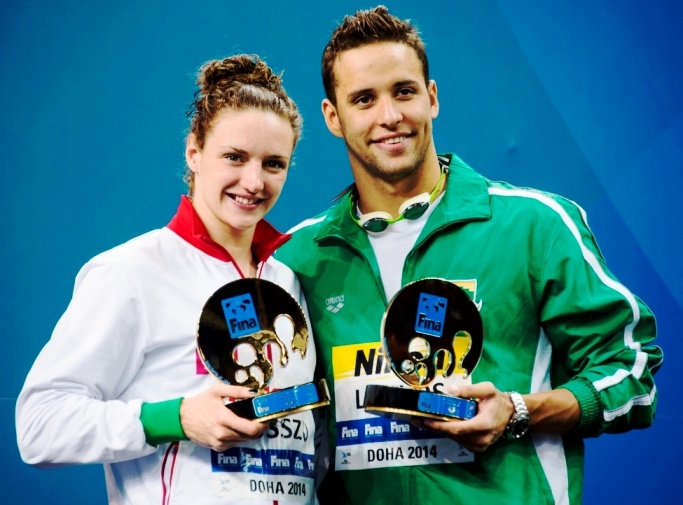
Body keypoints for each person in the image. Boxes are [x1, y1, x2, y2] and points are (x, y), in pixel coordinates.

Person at [275, 6, 663, 504]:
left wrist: (519, 410)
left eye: (404, 92)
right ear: (333, 117)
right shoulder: (300, 257)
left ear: (432, 98)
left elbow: (631, 373)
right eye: (364, 99)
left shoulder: (534, 225)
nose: (389, 116)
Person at [16, 54, 320, 505]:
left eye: (273, 164)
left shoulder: (288, 281)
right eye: (234, 157)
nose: (253, 181)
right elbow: (39, 425)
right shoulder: (131, 272)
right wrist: (176, 417)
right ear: (194, 150)